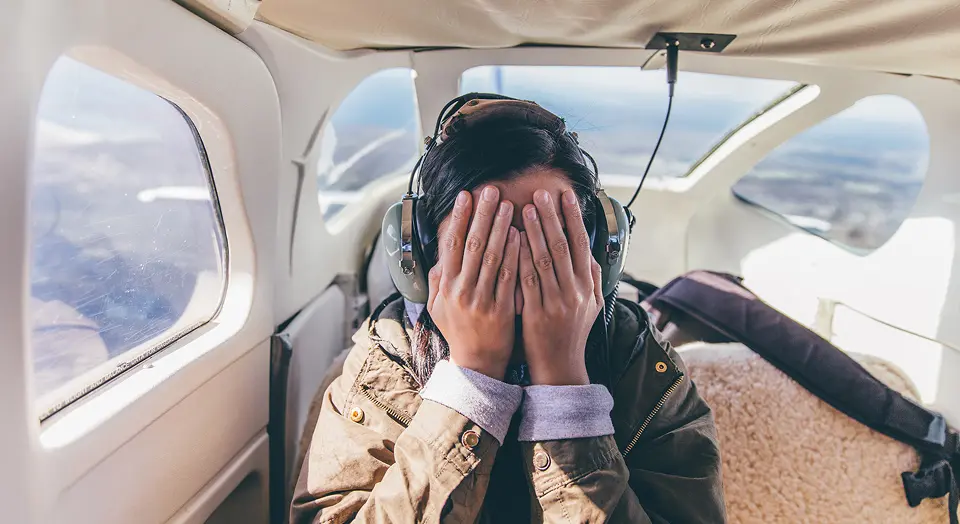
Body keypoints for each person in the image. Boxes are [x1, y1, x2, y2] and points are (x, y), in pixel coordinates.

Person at [291, 96, 725, 523]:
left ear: (595, 250)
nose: (524, 278)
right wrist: (469, 387)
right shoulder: (387, 361)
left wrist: (566, 390)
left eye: (551, 248)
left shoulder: (638, 358)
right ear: (423, 257)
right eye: (485, 253)